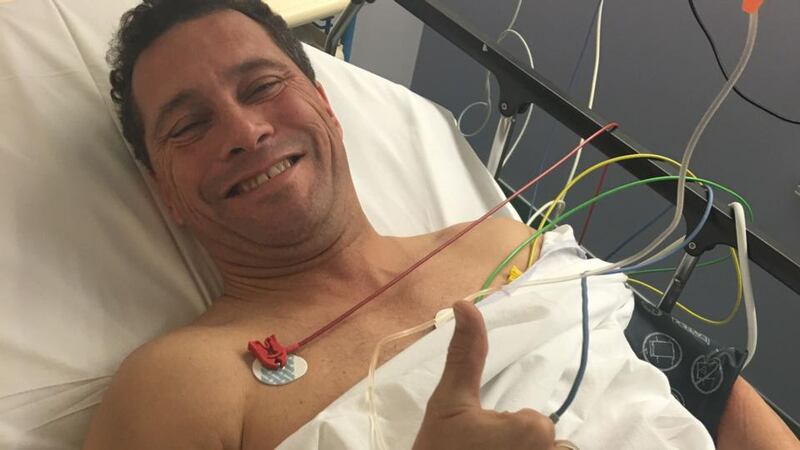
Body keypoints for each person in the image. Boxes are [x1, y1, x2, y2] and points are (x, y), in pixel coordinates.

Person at [84, 1, 798, 449]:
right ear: (165, 193)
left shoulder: (507, 246)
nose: (245, 131)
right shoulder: (184, 385)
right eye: (189, 125)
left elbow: (710, 392)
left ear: (327, 107)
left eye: (263, 86)